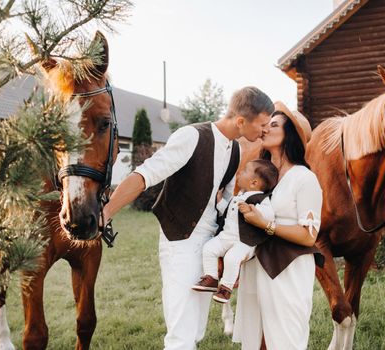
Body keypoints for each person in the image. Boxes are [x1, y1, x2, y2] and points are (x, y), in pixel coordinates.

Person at [102, 87, 274, 350]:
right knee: (181, 332)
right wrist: (105, 213)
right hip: (180, 241)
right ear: (241, 121)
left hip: (208, 247)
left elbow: (225, 205)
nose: (264, 131)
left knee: (196, 329)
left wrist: (227, 248)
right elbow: (144, 176)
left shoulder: (236, 151)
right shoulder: (192, 136)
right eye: (262, 124)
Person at [233, 101, 323, 350]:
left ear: (289, 136)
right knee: (257, 338)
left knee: (285, 339)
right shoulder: (264, 177)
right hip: (258, 265)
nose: (265, 129)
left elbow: (309, 236)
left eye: (274, 125)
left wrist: (267, 225)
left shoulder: (304, 178)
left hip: (288, 270)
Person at [192, 159, 278, 304]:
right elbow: (228, 212)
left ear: (254, 183)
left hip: (244, 241)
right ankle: (211, 278)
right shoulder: (238, 196)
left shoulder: (261, 199)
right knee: (209, 248)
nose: (240, 173)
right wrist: (220, 202)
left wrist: (252, 209)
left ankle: (226, 288)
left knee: (232, 258)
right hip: (226, 236)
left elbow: (269, 215)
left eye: (244, 171)